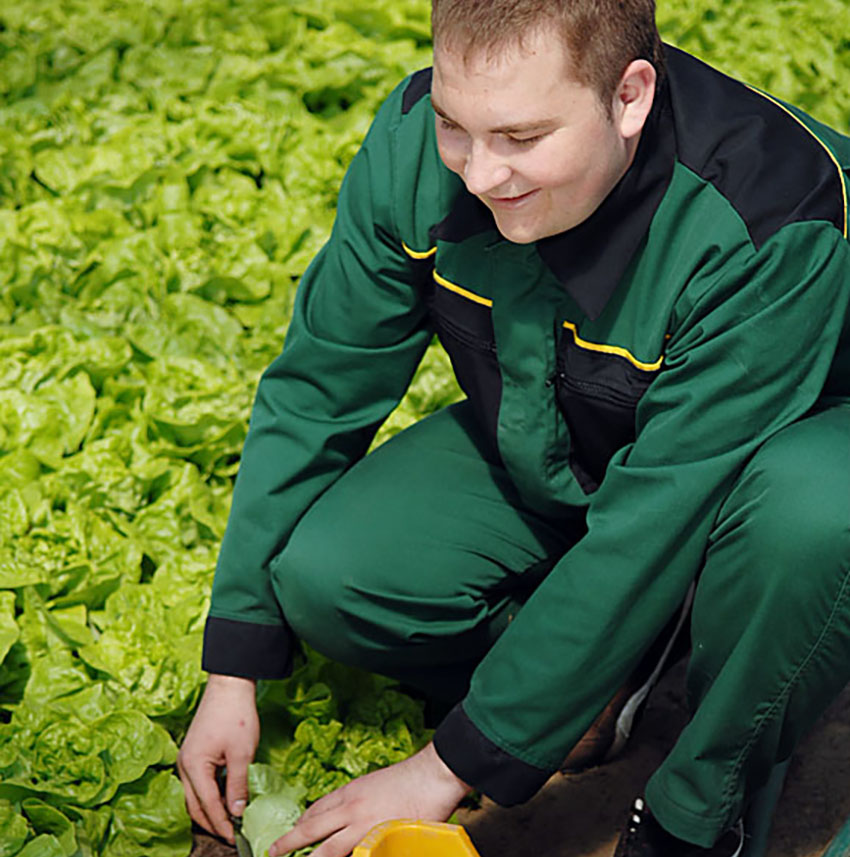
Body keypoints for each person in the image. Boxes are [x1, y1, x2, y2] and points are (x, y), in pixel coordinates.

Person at [177, 1, 850, 855]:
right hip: (591, 430)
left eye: (522, 138)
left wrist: (443, 768)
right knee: (330, 574)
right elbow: (317, 388)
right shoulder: (420, 142)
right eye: (458, 126)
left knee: (813, 516)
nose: (478, 173)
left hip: (786, 453)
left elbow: (655, 524)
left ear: (630, 97)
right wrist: (233, 664)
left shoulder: (765, 220)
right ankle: (610, 675)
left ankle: (698, 804)